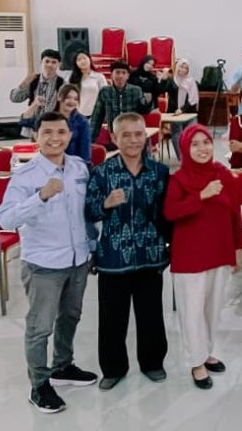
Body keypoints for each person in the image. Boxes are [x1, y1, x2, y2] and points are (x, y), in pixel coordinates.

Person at [0, 111, 99, 414]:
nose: (55, 138)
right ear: (36, 137)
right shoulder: (26, 176)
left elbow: (86, 213)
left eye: (61, 132)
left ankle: (62, 366)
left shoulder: (79, 167)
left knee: (70, 316)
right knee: (40, 326)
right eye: (47, 133)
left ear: (70, 135)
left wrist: (93, 246)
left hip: (77, 258)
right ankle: (39, 385)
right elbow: (6, 219)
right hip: (43, 263)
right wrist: (40, 196)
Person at [84, 113, 171, 390]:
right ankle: (113, 368)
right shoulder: (102, 172)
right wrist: (105, 204)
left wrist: (169, 248)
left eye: (138, 134)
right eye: (126, 135)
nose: (133, 140)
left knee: (151, 314)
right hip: (112, 258)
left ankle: (153, 363)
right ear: (114, 138)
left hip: (150, 255)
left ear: (146, 135)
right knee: (112, 318)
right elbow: (88, 211)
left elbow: (167, 214)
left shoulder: (159, 172)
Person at [164, 125, 242, 390]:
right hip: (190, 257)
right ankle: (195, 362)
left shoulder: (222, 174)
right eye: (195, 144)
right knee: (192, 312)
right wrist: (201, 196)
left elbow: (235, 213)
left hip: (219, 252)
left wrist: (238, 248)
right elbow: (171, 212)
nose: (202, 149)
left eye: (206, 142)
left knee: (212, 309)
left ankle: (207, 352)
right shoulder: (178, 179)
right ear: (185, 148)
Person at [19, 84, 91, 164]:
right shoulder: (49, 117)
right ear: (59, 97)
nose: (72, 101)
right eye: (68, 97)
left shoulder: (82, 122)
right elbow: (24, 121)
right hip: (46, 163)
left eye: (76, 99)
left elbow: (85, 154)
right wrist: (35, 104)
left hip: (70, 165)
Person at [89, 60, 153, 144]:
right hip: (113, 136)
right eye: (117, 72)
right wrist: (90, 141)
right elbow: (96, 118)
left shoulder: (136, 90)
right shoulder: (105, 92)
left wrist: (149, 101)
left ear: (128, 76)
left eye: (123, 73)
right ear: (111, 75)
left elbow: (144, 111)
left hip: (132, 134)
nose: (120, 76)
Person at [11, 49, 64, 138]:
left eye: (54, 62)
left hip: (52, 128)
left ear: (59, 64)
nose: (50, 65)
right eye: (47, 61)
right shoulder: (33, 81)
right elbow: (15, 98)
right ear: (41, 62)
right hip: (31, 128)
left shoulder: (62, 83)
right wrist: (23, 84)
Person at [162, 58, 200, 159]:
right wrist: (164, 78)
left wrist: (182, 110)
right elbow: (162, 89)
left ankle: (192, 157)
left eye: (186, 68)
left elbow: (193, 100)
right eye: (181, 67)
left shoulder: (191, 82)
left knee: (192, 134)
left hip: (189, 112)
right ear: (177, 67)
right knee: (176, 134)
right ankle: (182, 158)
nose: (183, 69)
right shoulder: (172, 81)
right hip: (174, 113)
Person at [68, 51, 108, 119]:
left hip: (96, 114)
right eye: (79, 60)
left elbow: (105, 96)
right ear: (76, 63)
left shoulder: (99, 77)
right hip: (78, 114)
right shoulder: (72, 79)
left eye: (84, 58)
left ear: (89, 59)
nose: (82, 61)